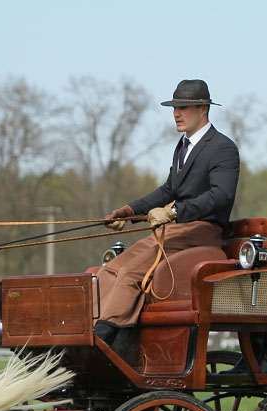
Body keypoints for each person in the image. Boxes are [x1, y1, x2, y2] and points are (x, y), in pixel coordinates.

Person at [96, 79, 240, 346]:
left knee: (131, 274)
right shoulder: (183, 147)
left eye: (183, 107)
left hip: (201, 233)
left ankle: (107, 336)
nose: (176, 113)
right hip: (173, 230)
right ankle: (96, 327)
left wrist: (175, 211)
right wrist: (129, 211)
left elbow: (222, 196)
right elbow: (168, 190)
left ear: (203, 109)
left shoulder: (222, 147)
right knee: (111, 270)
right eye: (174, 107)